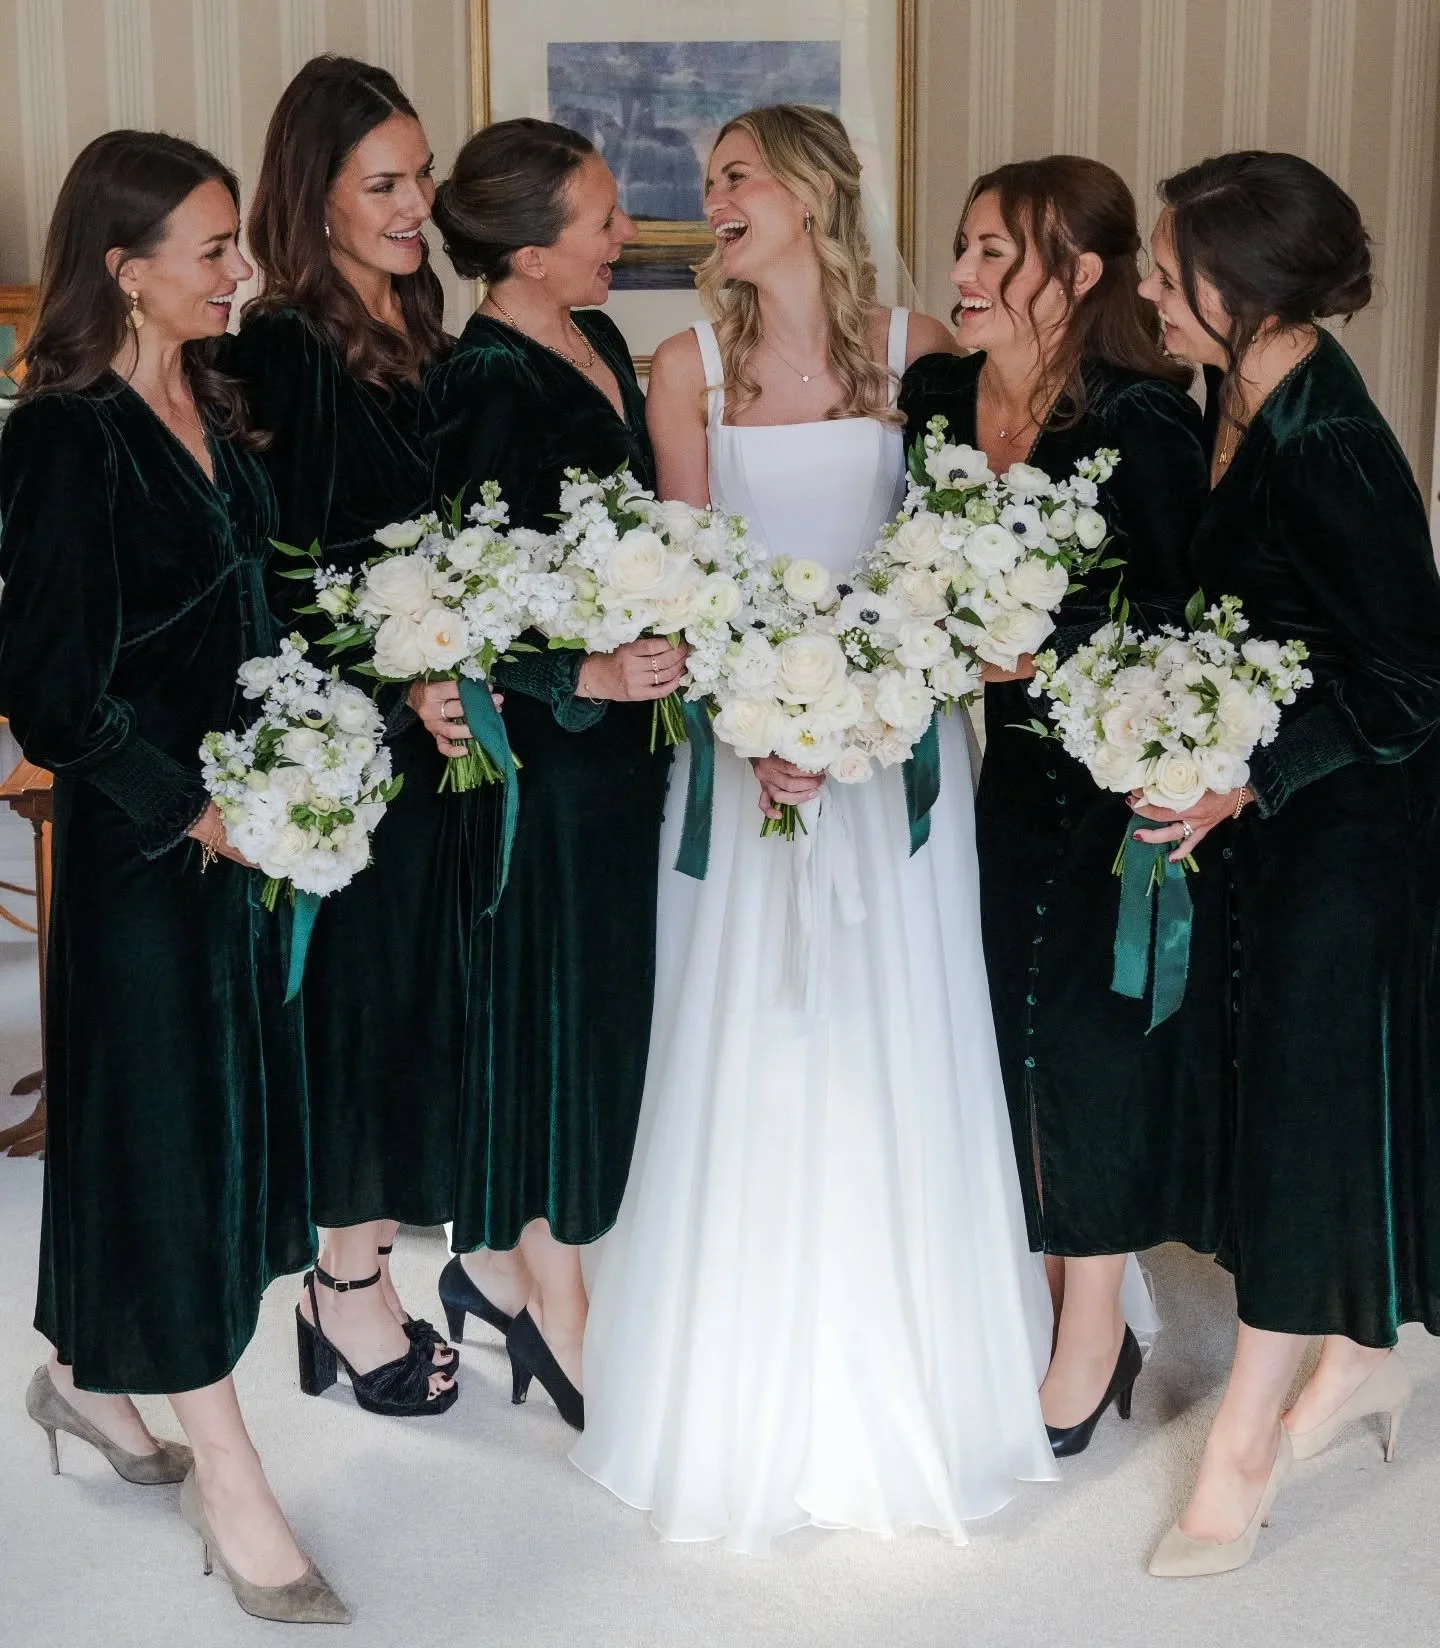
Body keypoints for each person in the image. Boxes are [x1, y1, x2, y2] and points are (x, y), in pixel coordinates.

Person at [572, 104, 1062, 1554]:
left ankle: (921, 1368)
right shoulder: (686, 369)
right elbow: (685, 577)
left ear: (808, 190)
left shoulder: (922, 351)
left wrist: (861, 715)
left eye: (736, 175)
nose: (711, 197)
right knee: (754, 1031)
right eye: (707, 178)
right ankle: (731, 1385)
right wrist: (763, 728)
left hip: (895, 760)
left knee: (893, 1027)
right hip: (746, 761)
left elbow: (958, 558)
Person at [0, 131, 346, 1624]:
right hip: (152, 859)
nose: (241, 272)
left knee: (206, 1130)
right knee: (169, 1142)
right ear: (123, 268)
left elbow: (265, 616)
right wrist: (197, 814)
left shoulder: (219, 397)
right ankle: (233, 1471)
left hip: (253, 841)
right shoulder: (62, 440)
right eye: (213, 250)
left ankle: (87, 1375)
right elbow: (52, 699)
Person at [1133, 150, 1440, 1577]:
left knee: (1304, 1130)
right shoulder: (1231, 393)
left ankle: (1244, 1445)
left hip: (1349, 838)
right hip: (1269, 833)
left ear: (1244, 287)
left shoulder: (1333, 446)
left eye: (1168, 271)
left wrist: (1246, 777)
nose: (1150, 290)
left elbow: (1411, 682)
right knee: (1272, 1106)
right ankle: (1363, 1354)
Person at [898, 157, 1221, 1456]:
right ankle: (1048, 1293)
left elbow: (1190, 614)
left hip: (1118, 777)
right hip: (1005, 776)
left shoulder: (1142, 419)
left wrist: (1048, 647)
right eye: (964, 247)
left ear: (1080, 274)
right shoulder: (937, 399)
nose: (963, 274)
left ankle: (1091, 1335)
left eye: (995, 253)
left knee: (1087, 1043)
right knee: (1007, 1033)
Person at [419, 118, 683, 1430]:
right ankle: (549, 1298)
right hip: (548, 758)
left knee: (606, 1008)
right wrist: (582, 673)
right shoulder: (482, 381)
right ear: (527, 253)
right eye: (602, 220)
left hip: (626, 757)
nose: (623, 235)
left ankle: (501, 1269)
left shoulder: (604, 342)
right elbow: (450, 597)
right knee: (551, 1012)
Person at [224, 53, 459, 1418]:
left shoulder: (426, 329)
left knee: (423, 1010)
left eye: (423, 175)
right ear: (314, 199)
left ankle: (376, 1267)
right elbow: (281, 572)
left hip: (448, 743)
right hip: (358, 749)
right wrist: (395, 674)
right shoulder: (282, 347)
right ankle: (346, 1285)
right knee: (361, 1017)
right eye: (384, 184)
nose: (416, 203)